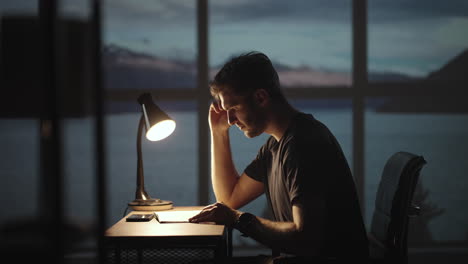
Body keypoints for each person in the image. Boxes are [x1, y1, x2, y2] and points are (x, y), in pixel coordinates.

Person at [189, 52, 369, 263]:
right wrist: (219, 133)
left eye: (234, 108)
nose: (230, 120)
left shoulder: (303, 144)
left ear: (261, 97)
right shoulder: (275, 146)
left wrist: (238, 220)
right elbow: (229, 198)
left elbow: (306, 240)